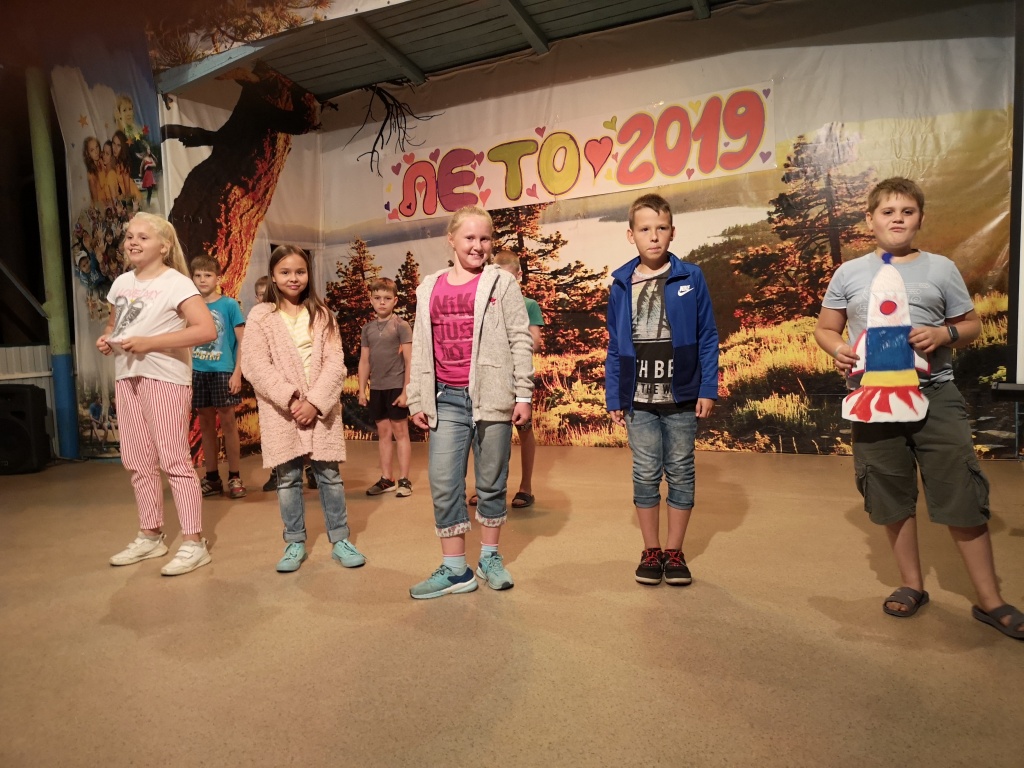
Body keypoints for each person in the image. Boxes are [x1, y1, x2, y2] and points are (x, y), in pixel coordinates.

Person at [814, 176, 1023, 640]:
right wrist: (839, 349)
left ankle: (990, 600)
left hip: (935, 397)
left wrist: (944, 334)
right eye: (887, 212)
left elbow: (972, 326)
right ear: (870, 219)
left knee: (960, 491)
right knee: (889, 492)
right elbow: (825, 328)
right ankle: (912, 584)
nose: (898, 219)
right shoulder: (849, 274)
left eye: (907, 211)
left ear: (920, 218)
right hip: (872, 401)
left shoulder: (941, 269)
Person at [406, 205, 534, 599]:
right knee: (444, 482)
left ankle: (489, 558)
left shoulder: (502, 283)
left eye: (484, 238)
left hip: (493, 395)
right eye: (469, 238)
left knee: (491, 482)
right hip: (445, 398)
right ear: (451, 239)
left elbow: (520, 338)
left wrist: (523, 393)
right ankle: (455, 569)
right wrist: (416, 397)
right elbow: (420, 344)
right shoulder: (429, 286)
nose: (478, 246)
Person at [605, 193, 720, 587]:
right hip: (638, 399)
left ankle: (674, 550)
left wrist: (707, 387)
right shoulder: (621, 283)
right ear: (631, 235)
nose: (653, 236)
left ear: (672, 232)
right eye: (644, 229)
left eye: (661, 228)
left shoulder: (691, 277)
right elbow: (614, 344)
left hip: (681, 396)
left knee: (681, 470)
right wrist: (614, 394)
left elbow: (707, 335)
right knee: (645, 471)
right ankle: (651, 549)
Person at [98, 212, 217, 576]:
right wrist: (107, 338)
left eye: (143, 237)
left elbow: (206, 330)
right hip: (127, 376)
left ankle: (194, 542)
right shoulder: (121, 283)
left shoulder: (177, 283)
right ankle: (150, 535)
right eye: (129, 236)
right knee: (137, 460)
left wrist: (151, 343)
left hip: (164, 379)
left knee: (175, 460)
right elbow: (114, 323)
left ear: (164, 246)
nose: (133, 242)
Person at [241, 245, 365, 573]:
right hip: (282, 411)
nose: (293, 278)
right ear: (273, 276)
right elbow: (255, 364)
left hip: (320, 409)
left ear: (308, 274)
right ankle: (294, 541)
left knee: (330, 476)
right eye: (285, 272)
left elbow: (336, 363)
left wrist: (315, 402)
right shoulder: (261, 316)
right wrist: (291, 400)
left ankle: (340, 539)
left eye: (300, 271)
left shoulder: (322, 315)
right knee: (288, 478)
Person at [252, 275, 317, 493]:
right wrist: (286, 396)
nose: (264, 298)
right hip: (278, 392)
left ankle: (310, 468)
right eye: (260, 295)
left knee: (309, 435)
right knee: (281, 444)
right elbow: (257, 363)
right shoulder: (259, 320)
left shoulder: (308, 314)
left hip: (305, 390)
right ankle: (277, 472)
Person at [190, 255, 246, 499]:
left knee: (229, 423)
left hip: (223, 370)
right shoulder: (190, 307)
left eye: (208, 275)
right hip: (198, 371)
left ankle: (235, 475)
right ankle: (212, 477)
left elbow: (243, 341)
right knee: (205, 425)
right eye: (198, 275)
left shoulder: (229, 305)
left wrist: (237, 372)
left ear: (218, 278)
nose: (203, 280)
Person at [358, 277, 414, 497]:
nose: (382, 302)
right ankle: (386, 479)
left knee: (401, 432)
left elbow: (409, 360)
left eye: (387, 298)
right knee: (383, 433)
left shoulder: (401, 326)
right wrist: (362, 390)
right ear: (371, 300)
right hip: (377, 388)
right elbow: (364, 361)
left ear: (395, 300)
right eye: (378, 298)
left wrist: (406, 391)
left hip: (396, 386)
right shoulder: (367, 329)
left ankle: (404, 480)